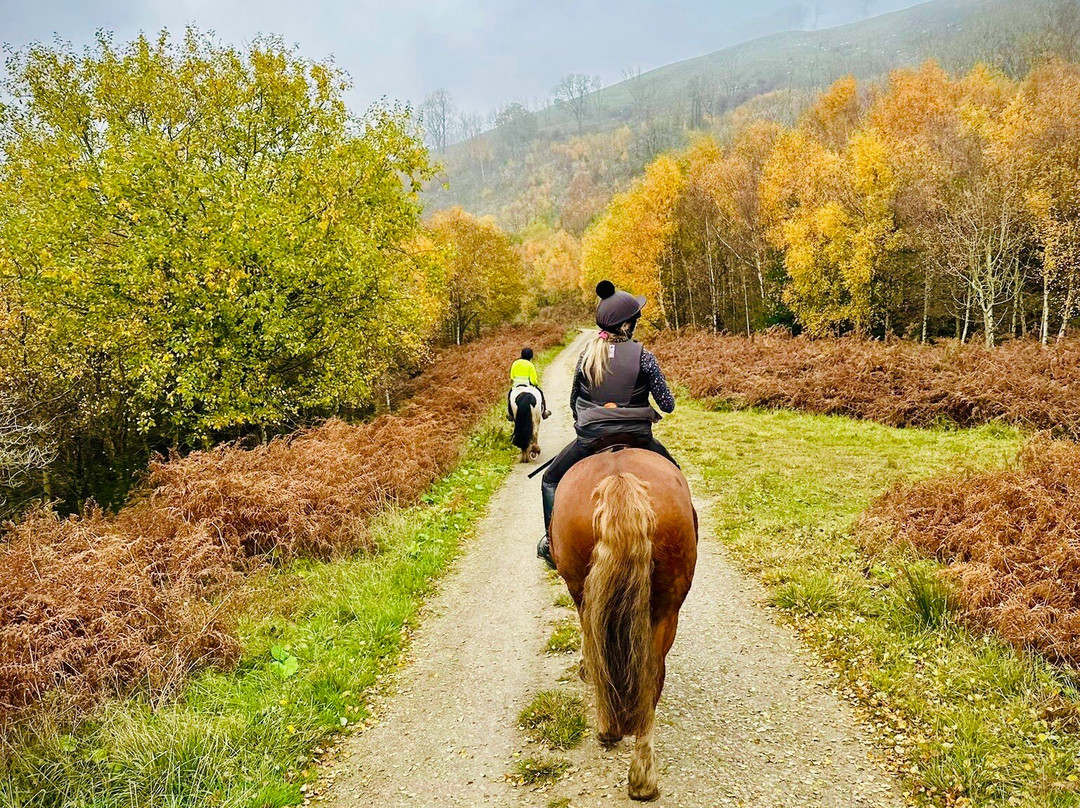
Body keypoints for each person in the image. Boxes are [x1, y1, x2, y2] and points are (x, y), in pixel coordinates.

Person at [537, 280, 678, 568]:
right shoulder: (645, 358)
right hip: (638, 437)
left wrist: (593, 422)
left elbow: (575, 402)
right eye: (635, 320)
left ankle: (552, 544)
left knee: (550, 479)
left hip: (592, 439)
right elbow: (667, 405)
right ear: (628, 326)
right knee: (674, 475)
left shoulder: (586, 356)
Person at [508, 347, 551, 421]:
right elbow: (533, 380)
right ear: (531, 356)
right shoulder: (530, 365)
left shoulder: (515, 363)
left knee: (509, 396)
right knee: (540, 393)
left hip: (516, 386)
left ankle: (510, 414)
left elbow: (512, 377)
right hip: (528, 386)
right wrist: (535, 384)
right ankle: (544, 412)